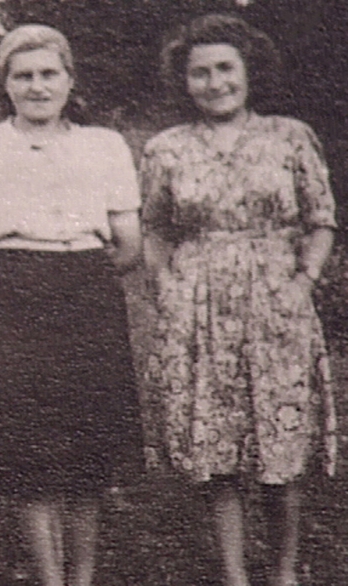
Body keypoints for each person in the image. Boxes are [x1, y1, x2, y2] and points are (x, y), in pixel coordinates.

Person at [0, 24, 144, 586]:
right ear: (5, 83)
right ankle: (51, 579)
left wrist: (81, 277)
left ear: (69, 79)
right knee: (30, 454)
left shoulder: (104, 145)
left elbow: (130, 245)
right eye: (23, 76)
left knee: (86, 451)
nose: (37, 87)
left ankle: (81, 577)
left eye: (48, 74)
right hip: (12, 298)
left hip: (88, 294)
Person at [141, 13, 337, 586]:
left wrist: (303, 280)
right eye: (199, 72)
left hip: (276, 301)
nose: (214, 82)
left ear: (249, 70)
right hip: (198, 308)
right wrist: (166, 284)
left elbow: (321, 219)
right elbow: (154, 227)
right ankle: (233, 576)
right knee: (214, 451)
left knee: (281, 448)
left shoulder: (290, 135)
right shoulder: (166, 148)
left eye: (226, 67)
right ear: (184, 81)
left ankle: (282, 573)